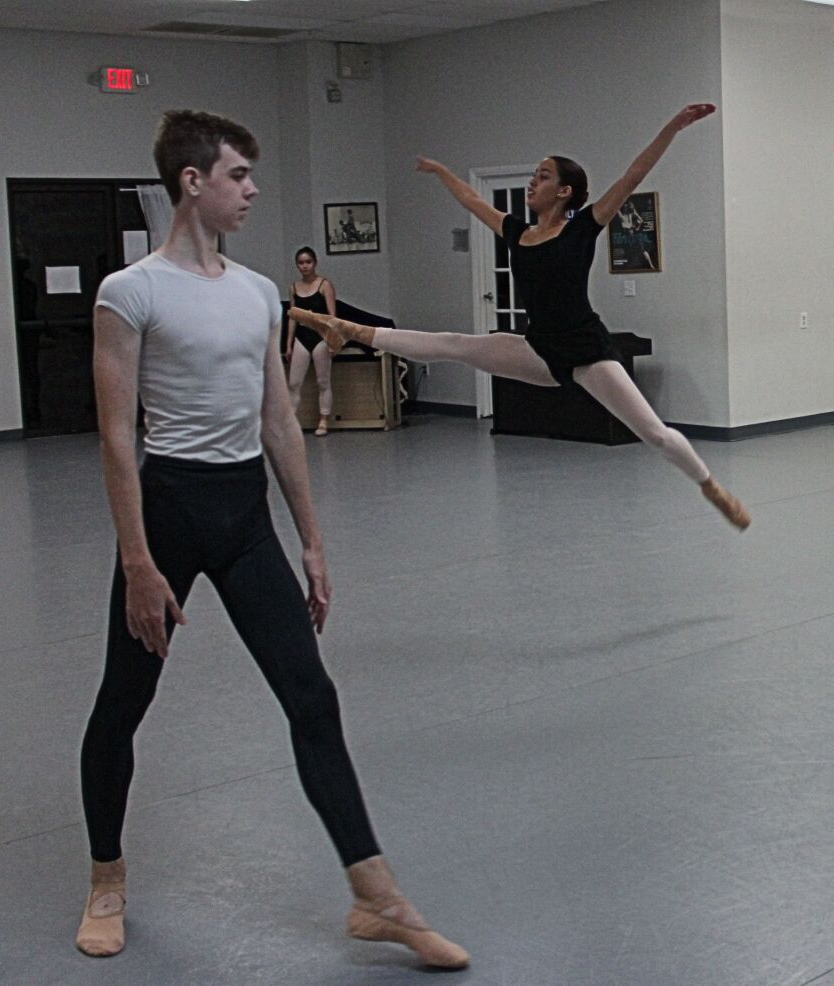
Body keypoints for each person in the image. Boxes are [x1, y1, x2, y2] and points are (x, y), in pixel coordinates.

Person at [75, 108, 469, 971]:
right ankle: (107, 875)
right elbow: (115, 436)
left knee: (311, 698)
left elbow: (279, 424)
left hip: (243, 514)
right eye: (238, 176)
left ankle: (376, 896)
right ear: (193, 183)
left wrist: (313, 543)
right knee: (123, 703)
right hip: (168, 511)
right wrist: (139, 563)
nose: (252, 190)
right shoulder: (128, 292)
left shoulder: (260, 295)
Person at [292, 103, 750, 531]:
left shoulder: (584, 226)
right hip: (538, 348)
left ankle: (710, 486)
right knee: (455, 344)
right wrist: (442, 172)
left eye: (543, 176)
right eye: (533, 175)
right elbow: (472, 200)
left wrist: (672, 127)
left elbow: (634, 174)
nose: (533, 182)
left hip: (587, 350)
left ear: (564, 191)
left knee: (654, 434)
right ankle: (351, 329)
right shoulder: (517, 231)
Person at [285, 247, 337, 436]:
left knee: (323, 381)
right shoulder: (293, 287)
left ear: (314, 263)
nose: (305, 266)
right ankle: (291, 420)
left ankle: (323, 420)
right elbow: (292, 316)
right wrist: (288, 344)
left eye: (308, 262)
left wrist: (332, 341)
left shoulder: (324, 285)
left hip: (320, 337)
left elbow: (332, 317)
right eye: (301, 263)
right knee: (293, 382)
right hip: (302, 337)